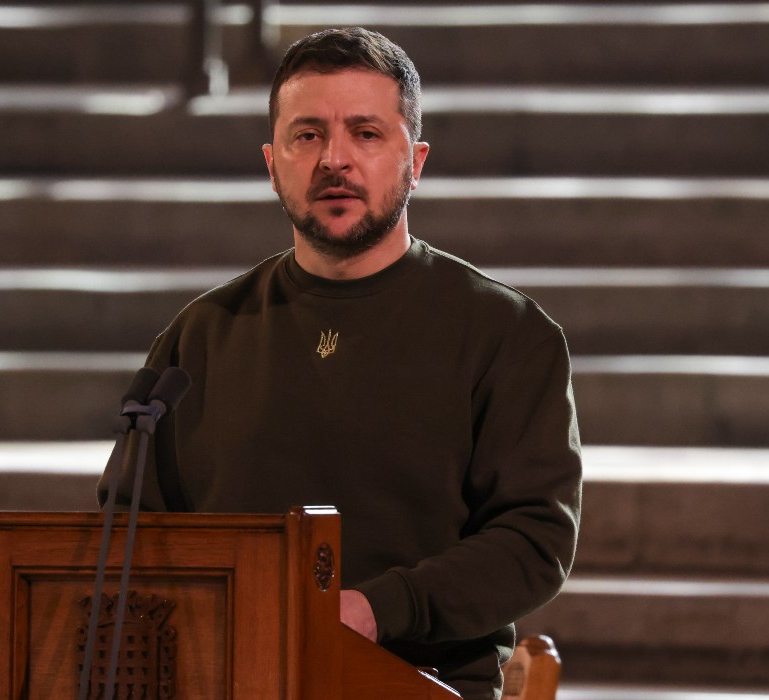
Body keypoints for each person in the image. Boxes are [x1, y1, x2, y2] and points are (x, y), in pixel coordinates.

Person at [99, 27, 583, 700]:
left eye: (366, 133)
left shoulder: (508, 334)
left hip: (417, 683)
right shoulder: (198, 339)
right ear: (272, 163)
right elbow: (123, 537)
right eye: (308, 135)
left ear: (415, 161)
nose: (335, 159)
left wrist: (380, 609)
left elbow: (536, 540)